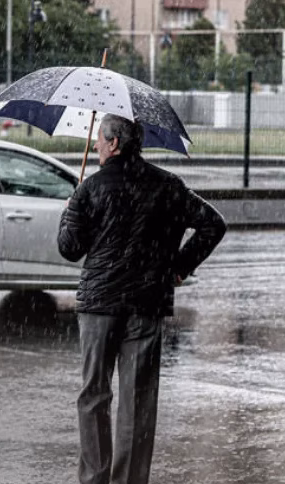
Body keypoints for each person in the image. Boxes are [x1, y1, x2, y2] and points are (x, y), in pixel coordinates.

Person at [58, 114, 227, 484]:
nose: (97, 146)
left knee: (93, 396)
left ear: (114, 143)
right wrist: (178, 268)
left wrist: (70, 210)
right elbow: (214, 224)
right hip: (146, 305)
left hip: (99, 306)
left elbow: (69, 249)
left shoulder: (91, 188)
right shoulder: (168, 186)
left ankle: (95, 478)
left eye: (100, 140)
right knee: (138, 403)